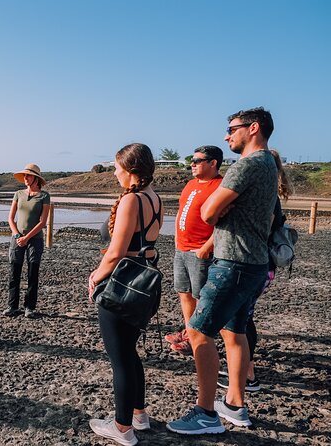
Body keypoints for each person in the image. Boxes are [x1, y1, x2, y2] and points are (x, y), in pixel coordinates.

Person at [167, 107, 278, 435]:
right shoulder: (270, 164)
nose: (227, 135)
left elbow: (208, 211)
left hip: (233, 263)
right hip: (254, 263)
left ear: (253, 128)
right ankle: (234, 405)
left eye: (232, 129)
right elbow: (271, 216)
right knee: (234, 332)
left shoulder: (247, 165)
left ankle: (205, 413)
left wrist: (215, 211)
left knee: (199, 332)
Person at [88, 143, 162, 446]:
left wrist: (95, 277)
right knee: (130, 353)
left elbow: (116, 252)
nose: (115, 173)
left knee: (119, 358)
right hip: (144, 282)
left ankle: (122, 428)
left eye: (118, 168)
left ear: (131, 171)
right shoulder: (153, 197)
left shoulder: (132, 200)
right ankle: (139, 415)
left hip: (122, 284)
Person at [217, 148, 294, 392]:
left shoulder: (267, 197)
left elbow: (264, 229)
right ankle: (243, 370)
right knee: (243, 318)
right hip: (263, 265)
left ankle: (248, 375)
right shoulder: (271, 194)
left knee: (242, 320)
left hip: (256, 263)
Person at [167, 145, 224, 355]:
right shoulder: (191, 183)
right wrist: (176, 238)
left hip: (200, 251)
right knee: (184, 292)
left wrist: (206, 247)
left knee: (201, 296)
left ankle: (198, 336)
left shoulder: (220, 186)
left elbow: (224, 223)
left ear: (213, 163)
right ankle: (189, 332)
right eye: (192, 160)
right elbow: (182, 211)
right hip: (181, 248)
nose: (192, 164)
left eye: (197, 160)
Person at [3, 163, 51, 318]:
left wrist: (27, 237)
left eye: (28, 175)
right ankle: (12, 306)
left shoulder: (44, 196)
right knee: (14, 273)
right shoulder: (18, 194)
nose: (25, 178)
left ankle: (29, 307)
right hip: (17, 239)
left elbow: (43, 222)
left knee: (32, 273)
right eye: (24, 175)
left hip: (34, 240)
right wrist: (18, 236)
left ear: (36, 178)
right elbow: (10, 218)